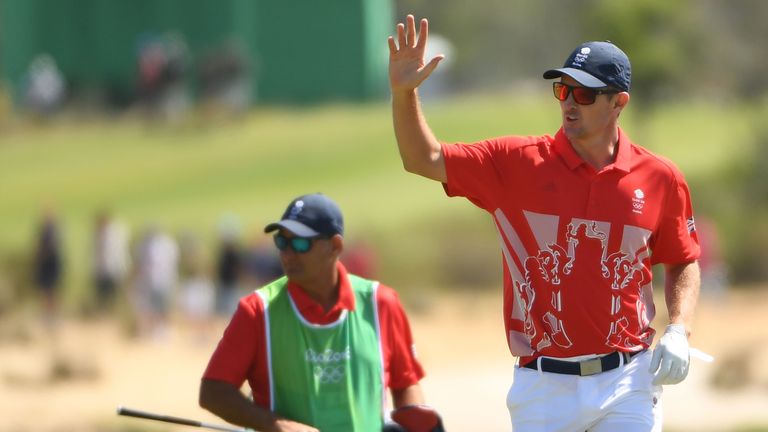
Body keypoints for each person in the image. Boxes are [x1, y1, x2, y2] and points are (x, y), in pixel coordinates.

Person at [388, 15, 701, 431]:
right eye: (562, 89)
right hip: (543, 386)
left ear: (618, 103)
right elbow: (422, 159)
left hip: (629, 380)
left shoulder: (661, 177)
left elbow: (682, 259)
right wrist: (403, 93)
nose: (569, 102)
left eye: (584, 93)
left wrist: (680, 328)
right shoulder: (515, 163)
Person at [199, 193, 443, 432]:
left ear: (335, 246)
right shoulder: (257, 310)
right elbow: (213, 391)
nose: (287, 253)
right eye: (282, 241)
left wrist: (414, 420)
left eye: (301, 243)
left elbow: (405, 382)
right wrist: (275, 425)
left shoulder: (381, 303)